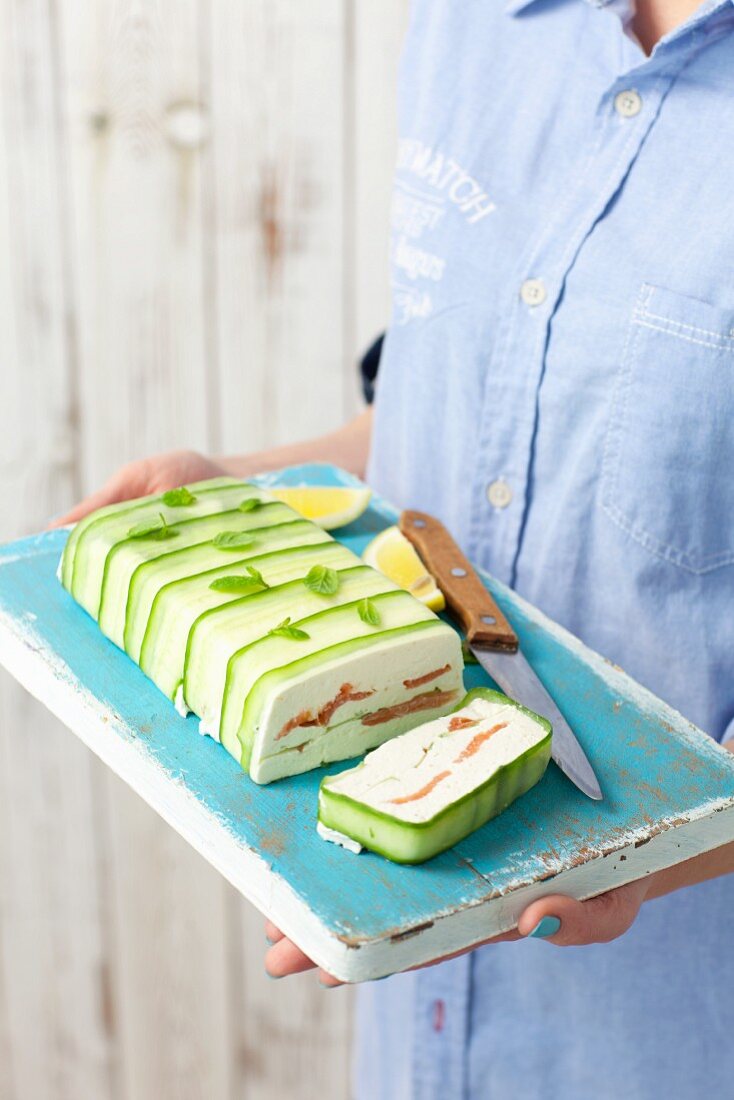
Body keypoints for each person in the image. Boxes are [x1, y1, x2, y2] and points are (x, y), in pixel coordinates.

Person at [55, 0, 734, 1095]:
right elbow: (477, 401)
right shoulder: (471, 22)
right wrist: (248, 487)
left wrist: (656, 859)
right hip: (415, 1039)